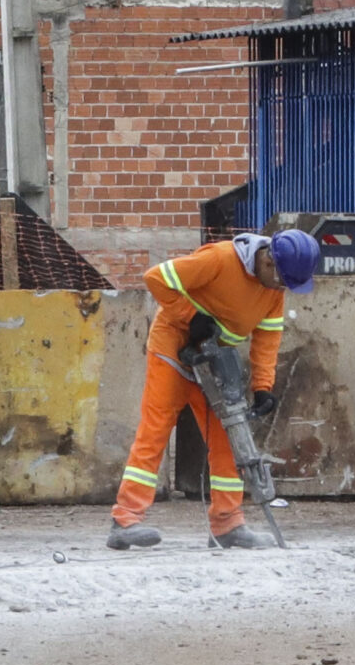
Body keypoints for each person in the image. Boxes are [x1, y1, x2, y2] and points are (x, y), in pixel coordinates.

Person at [109, 226, 319, 551]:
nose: (282, 288)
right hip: (173, 349)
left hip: (215, 361)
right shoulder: (220, 259)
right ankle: (125, 521)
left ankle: (227, 523)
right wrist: (190, 316)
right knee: (156, 430)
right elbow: (155, 278)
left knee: (227, 440)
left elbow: (267, 339)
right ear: (268, 261)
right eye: (282, 279)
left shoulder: (275, 290)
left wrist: (263, 387)